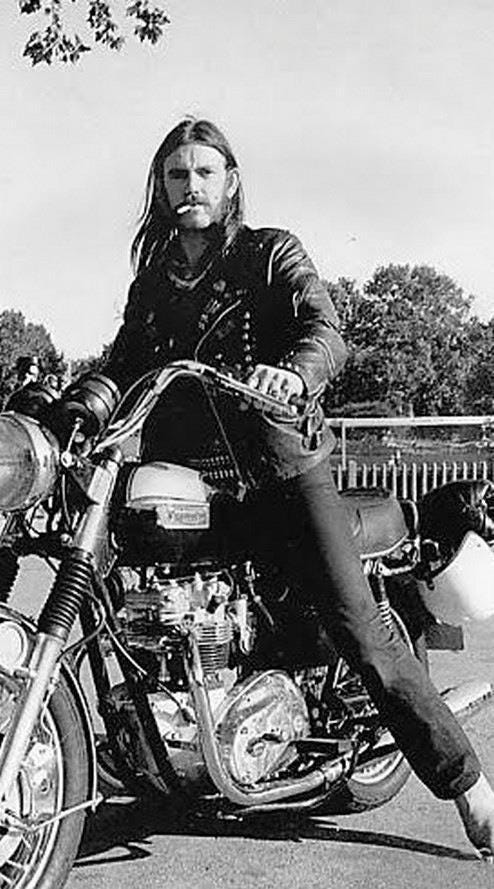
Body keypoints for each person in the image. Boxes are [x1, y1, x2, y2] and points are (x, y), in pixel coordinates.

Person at [102, 117, 494, 855]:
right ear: (160, 186)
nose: (191, 186)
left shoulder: (270, 253)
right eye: (178, 174)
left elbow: (325, 327)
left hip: (280, 468)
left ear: (231, 182)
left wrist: (295, 371)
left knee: (360, 629)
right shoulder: (153, 281)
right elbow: (122, 365)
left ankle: (470, 786)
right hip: (196, 480)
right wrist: (73, 403)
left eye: (204, 172)